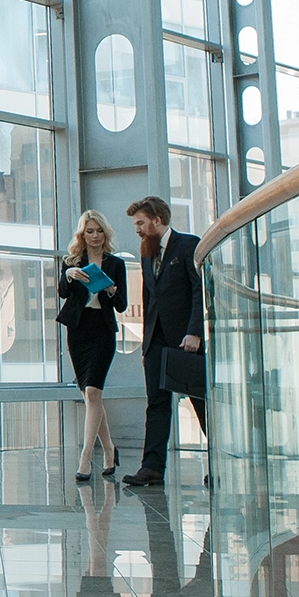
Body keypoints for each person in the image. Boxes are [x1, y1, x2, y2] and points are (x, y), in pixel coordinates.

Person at [121, 196, 204, 489]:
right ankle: (152, 467)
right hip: (155, 340)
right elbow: (149, 298)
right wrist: (146, 344)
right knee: (156, 404)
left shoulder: (188, 245)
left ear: (158, 220)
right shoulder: (146, 253)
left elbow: (199, 291)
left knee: (200, 403)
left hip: (185, 341)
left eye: (141, 223)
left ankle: (220, 463)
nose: (138, 230)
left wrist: (195, 332)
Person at [59, 209, 129, 483]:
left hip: (102, 331)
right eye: (90, 231)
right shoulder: (72, 262)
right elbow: (63, 293)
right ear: (82, 234)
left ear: (105, 233)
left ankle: (86, 457)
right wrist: (69, 275)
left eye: (99, 231)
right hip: (78, 330)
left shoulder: (115, 264)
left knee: (92, 392)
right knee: (91, 397)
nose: (96, 236)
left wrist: (111, 290)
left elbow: (122, 305)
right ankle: (110, 451)